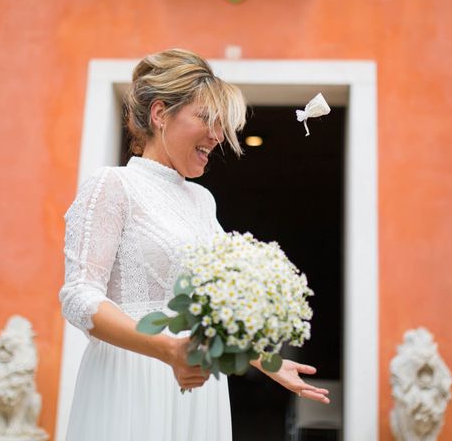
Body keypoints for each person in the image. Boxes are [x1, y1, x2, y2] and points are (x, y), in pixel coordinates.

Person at [60, 48, 329, 440]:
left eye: (221, 124)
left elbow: (216, 307)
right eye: (207, 119)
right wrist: (167, 349)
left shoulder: (203, 201)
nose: (217, 136)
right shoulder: (113, 185)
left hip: (198, 386)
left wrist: (267, 362)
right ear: (160, 114)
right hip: (132, 379)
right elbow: (79, 297)